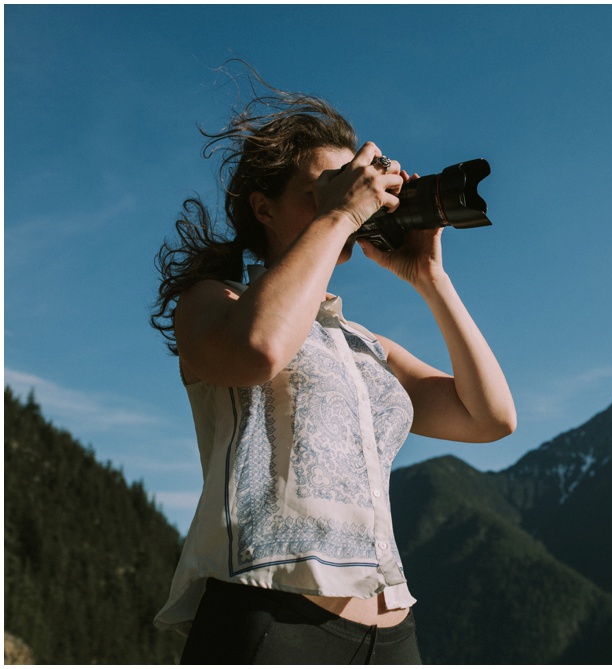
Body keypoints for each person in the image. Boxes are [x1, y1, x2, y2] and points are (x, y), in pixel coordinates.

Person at [150, 77, 516, 664]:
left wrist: (431, 280)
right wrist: (343, 212)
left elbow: (491, 418)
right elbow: (260, 351)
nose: (356, 200)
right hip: (273, 621)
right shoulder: (215, 302)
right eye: (328, 188)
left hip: (393, 633)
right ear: (263, 207)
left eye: (355, 186)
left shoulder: (363, 345)